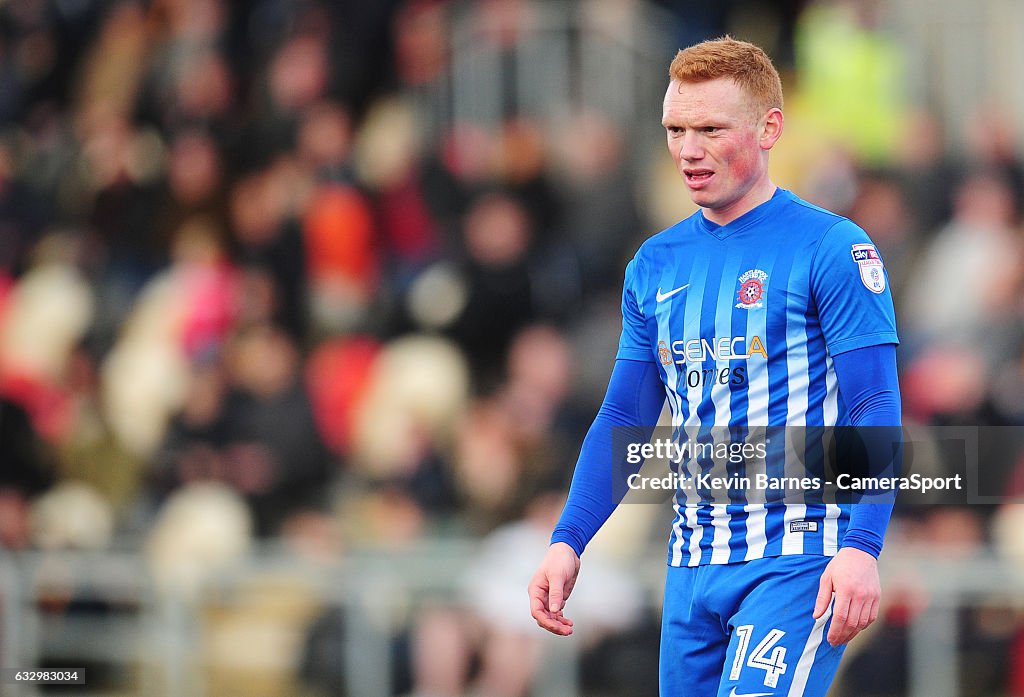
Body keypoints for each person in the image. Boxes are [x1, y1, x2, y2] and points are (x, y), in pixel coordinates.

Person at [528, 37, 902, 697]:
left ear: (768, 128)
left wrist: (862, 544)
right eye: (675, 129)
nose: (688, 149)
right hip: (692, 567)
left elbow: (874, 407)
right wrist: (570, 538)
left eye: (709, 128)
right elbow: (625, 416)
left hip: (796, 558)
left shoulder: (832, 246)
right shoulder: (655, 264)